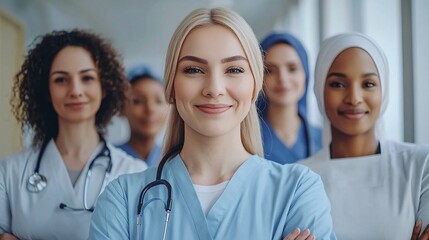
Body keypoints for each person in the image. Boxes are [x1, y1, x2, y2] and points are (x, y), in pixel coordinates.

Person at [89, 7, 336, 240]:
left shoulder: (298, 190)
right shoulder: (121, 198)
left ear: (255, 85)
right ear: (171, 87)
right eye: (194, 70)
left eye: (234, 70)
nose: (214, 89)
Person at [0, 29, 147, 240]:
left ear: (104, 87)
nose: (75, 90)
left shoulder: (134, 173)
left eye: (87, 78)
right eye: (61, 80)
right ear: (46, 91)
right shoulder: (9, 173)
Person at [299, 32, 429, 239]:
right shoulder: (298, 178)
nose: (354, 98)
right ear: (319, 89)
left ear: (383, 90)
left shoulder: (421, 166)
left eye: (368, 84)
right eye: (338, 84)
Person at [256, 32, 322, 164]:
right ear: (259, 77)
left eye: (292, 69)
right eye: (270, 70)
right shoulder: (245, 139)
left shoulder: (325, 140)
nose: (282, 79)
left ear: (306, 75)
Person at [117, 65, 168, 167]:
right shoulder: (111, 159)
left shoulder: (176, 160)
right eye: (138, 101)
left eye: (158, 101)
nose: (150, 109)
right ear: (121, 108)